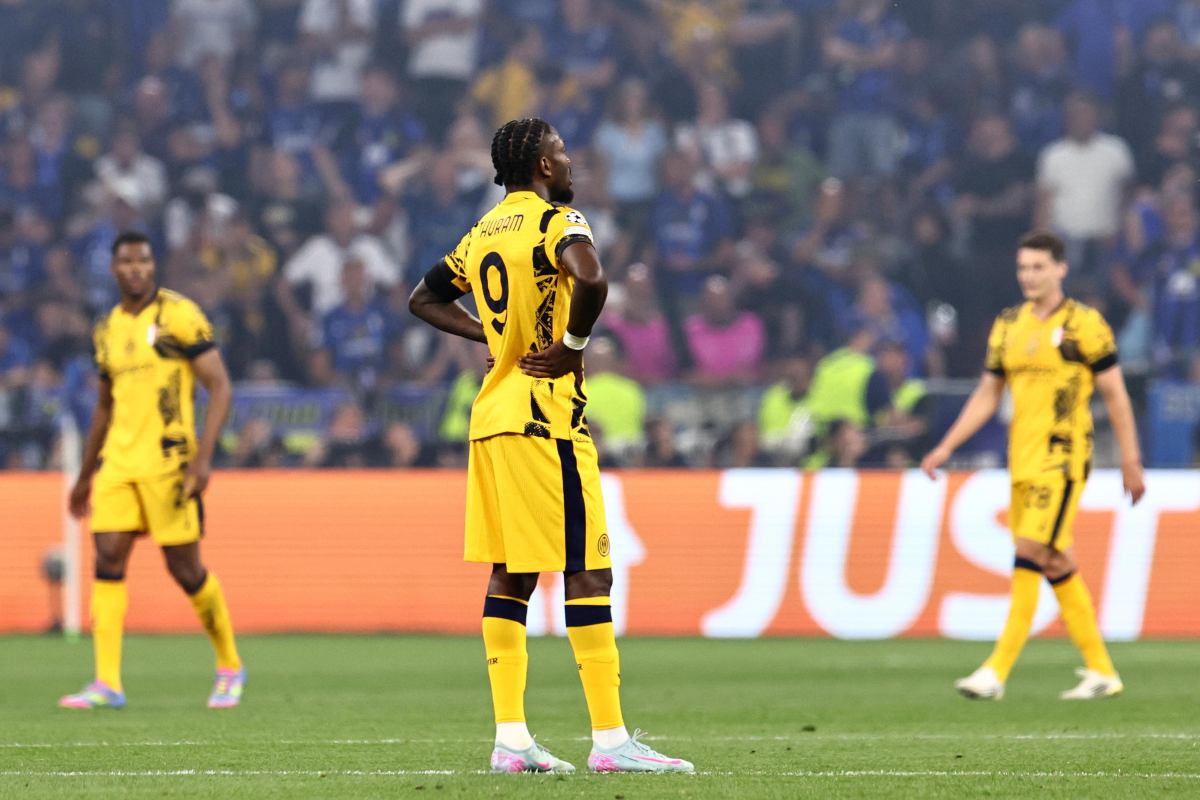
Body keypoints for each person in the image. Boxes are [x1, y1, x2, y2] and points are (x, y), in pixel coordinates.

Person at [409, 117, 692, 774]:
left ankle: (511, 740)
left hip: (493, 417)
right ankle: (611, 742)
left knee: (512, 572)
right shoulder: (557, 222)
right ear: (541, 165)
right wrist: (572, 347)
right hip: (546, 419)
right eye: (561, 152)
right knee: (587, 569)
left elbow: (423, 298)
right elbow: (591, 279)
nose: (569, 162)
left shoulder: (482, 231)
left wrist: (490, 336)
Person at [921, 231, 1145, 701]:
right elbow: (988, 394)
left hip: (1062, 459)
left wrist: (1130, 458)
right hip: (1020, 459)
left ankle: (995, 671)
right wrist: (945, 447)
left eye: (1038, 267)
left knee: (1029, 552)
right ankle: (1102, 671)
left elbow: (1115, 394)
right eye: (1023, 267)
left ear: (1061, 269)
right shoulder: (1008, 326)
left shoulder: (1085, 325)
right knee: (1056, 561)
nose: (1029, 276)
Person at [59, 231, 244, 710]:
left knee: (185, 569)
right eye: (127, 261)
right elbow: (104, 406)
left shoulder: (178, 315)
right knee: (107, 560)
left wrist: (204, 458)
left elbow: (220, 386)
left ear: (153, 265)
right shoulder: (107, 328)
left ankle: (230, 665)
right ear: (114, 269)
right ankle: (107, 683)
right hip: (119, 464)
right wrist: (84, 476)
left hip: (169, 462)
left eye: (143, 260)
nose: (136, 268)